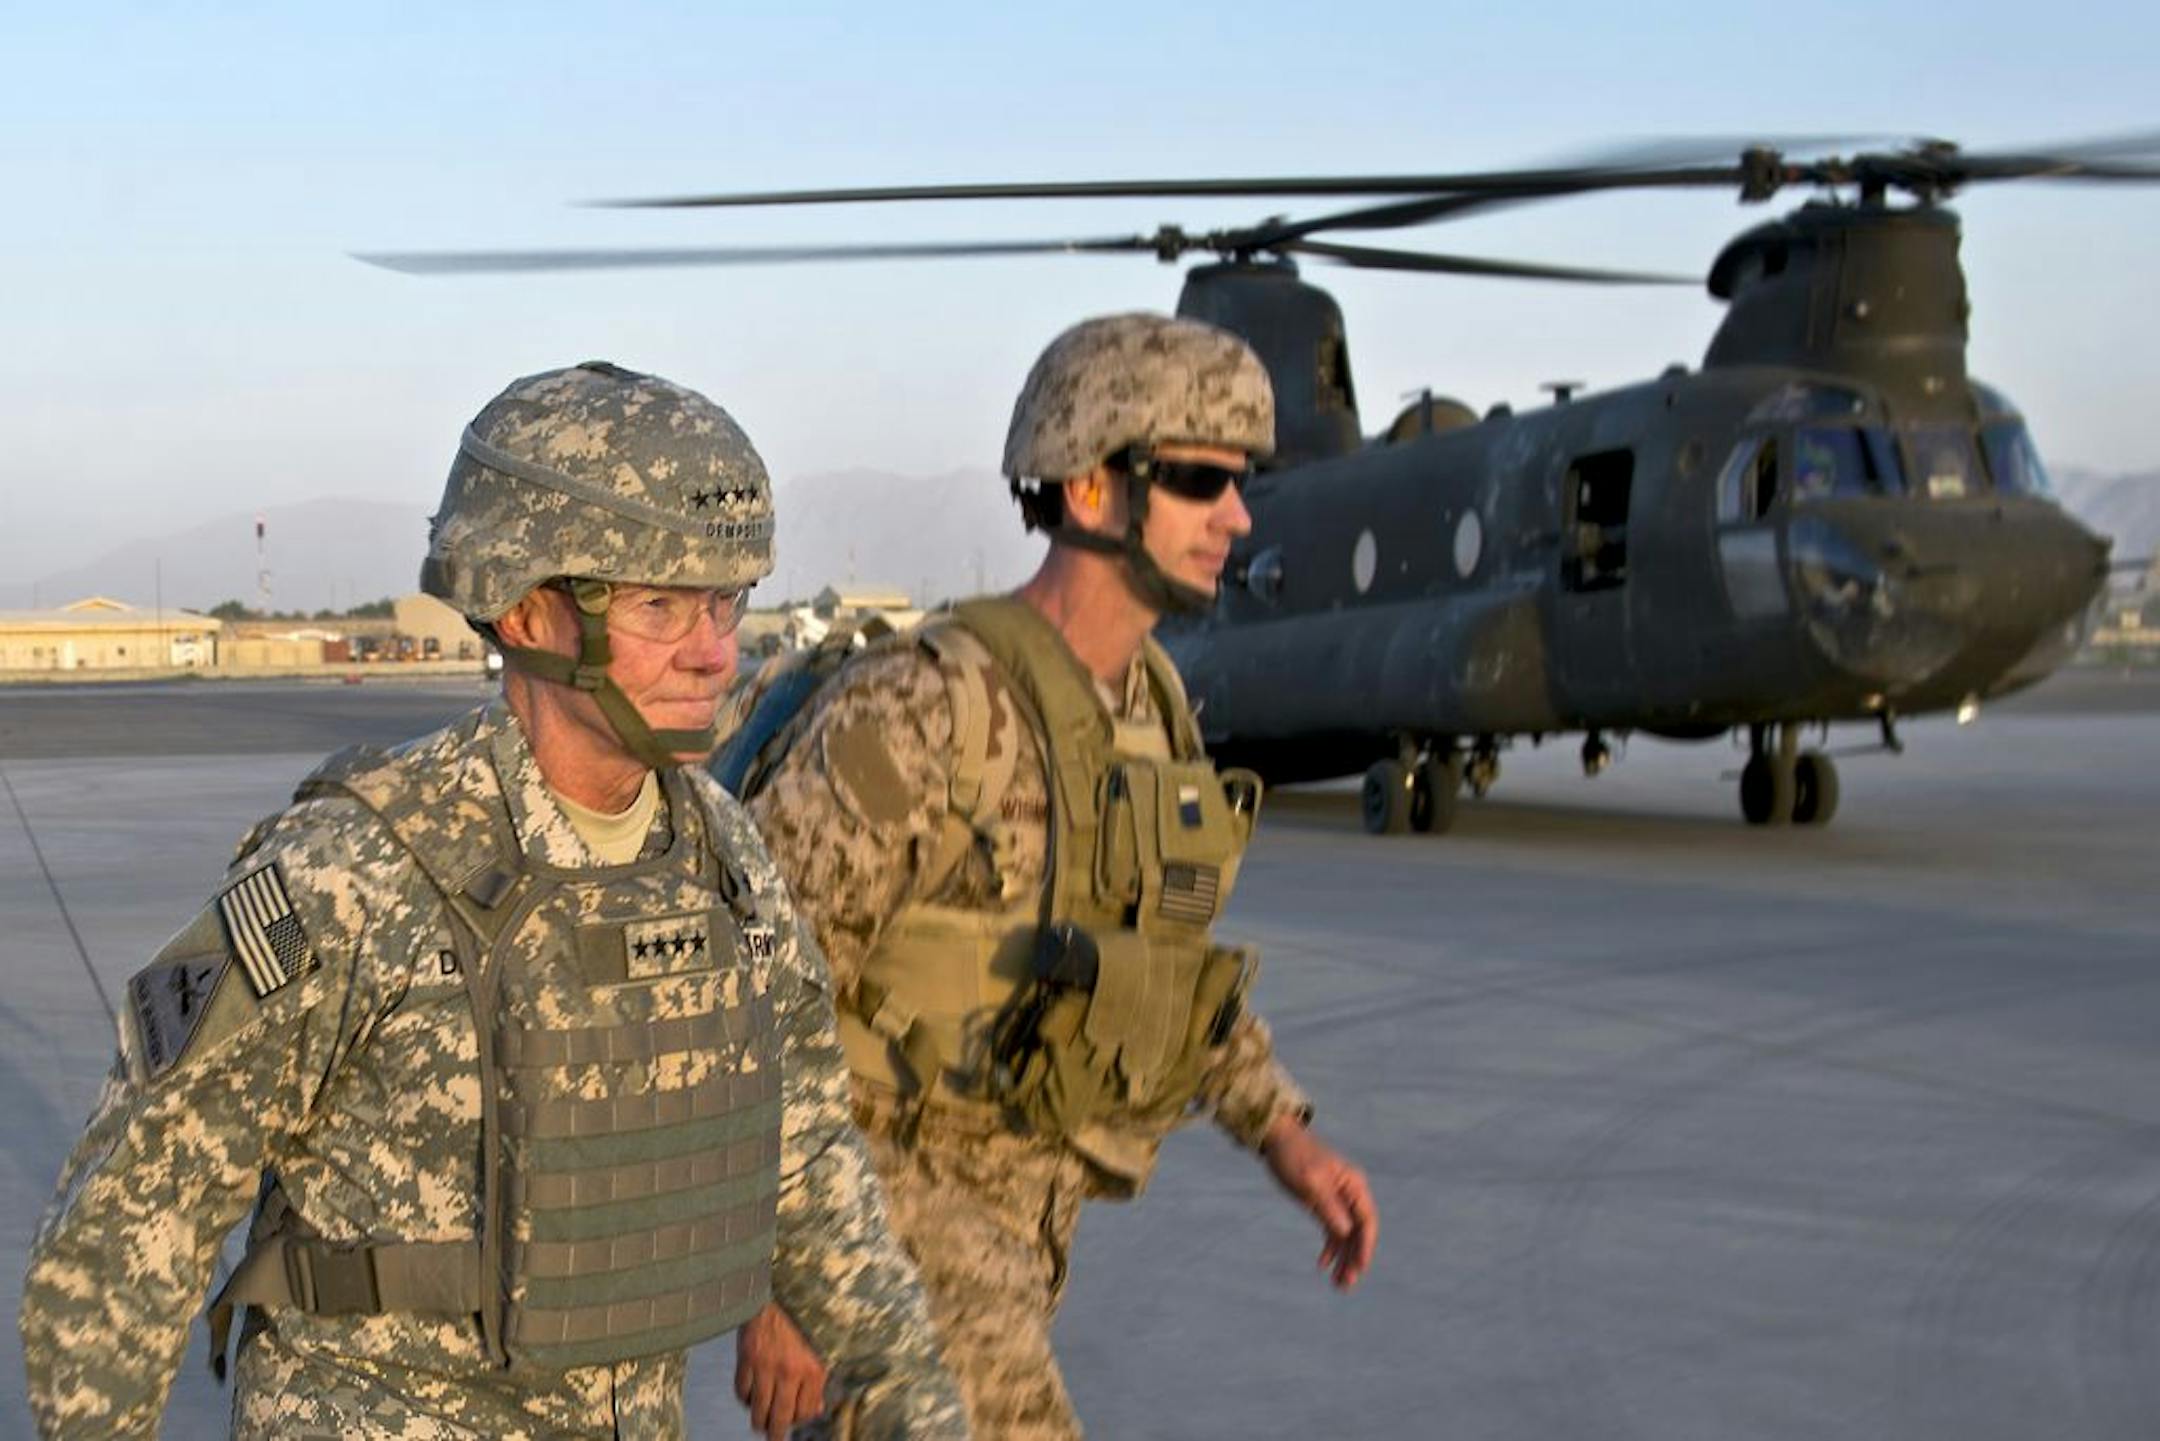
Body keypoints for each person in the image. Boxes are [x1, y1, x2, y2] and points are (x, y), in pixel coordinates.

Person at [20, 362, 966, 1441]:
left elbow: (810, 1170)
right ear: (526, 608)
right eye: (661, 604)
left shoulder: (718, 858)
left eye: (726, 600)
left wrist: (917, 1409)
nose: (716, 653)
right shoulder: (352, 872)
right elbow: (121, 1225)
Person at [734, 314, 1379, 1437]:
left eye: (1240, 484)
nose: (1237, 515)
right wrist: (786, 1272)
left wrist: (1285, 1133)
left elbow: (1169, 966)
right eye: (1197, 481)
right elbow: (757, 995)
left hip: (1026, 1213)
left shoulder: (1153, 709)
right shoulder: (929, 703)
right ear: (1090, 490)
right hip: (887, 1219)